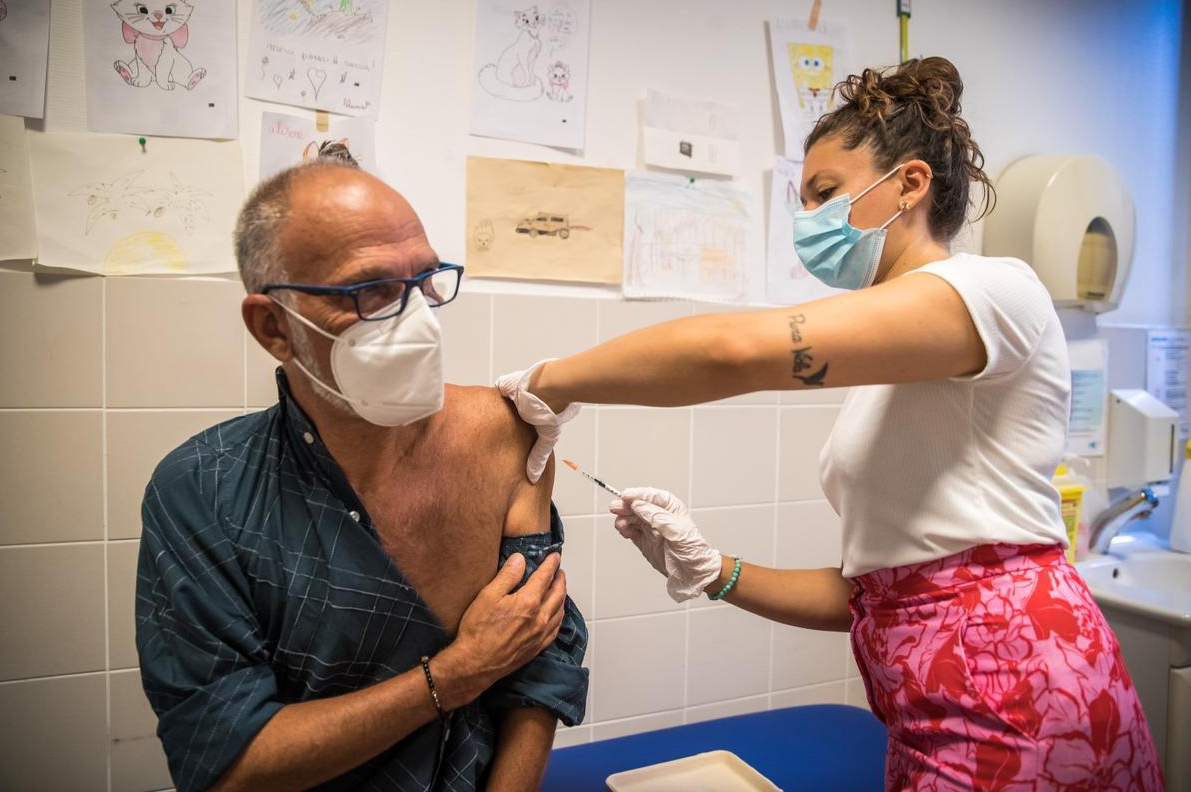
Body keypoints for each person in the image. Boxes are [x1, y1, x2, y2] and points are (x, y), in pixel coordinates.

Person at [497, 58, 1163, 790]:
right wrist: (714, 569)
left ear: (911, 184)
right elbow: (879, 594)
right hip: (928, 701)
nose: (809, 222)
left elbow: (732, 352)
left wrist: (547, 383)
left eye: (825, 194)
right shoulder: (894, 378)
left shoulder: (994, 289)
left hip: (1022, 690)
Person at [135, 143, 588, 792]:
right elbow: (228, 765)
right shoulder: (203, 491)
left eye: (426, 280)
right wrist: (454, 675)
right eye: (369, 290)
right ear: (273, 327)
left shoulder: (506, 434)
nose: (416, 319)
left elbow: (538, 661)